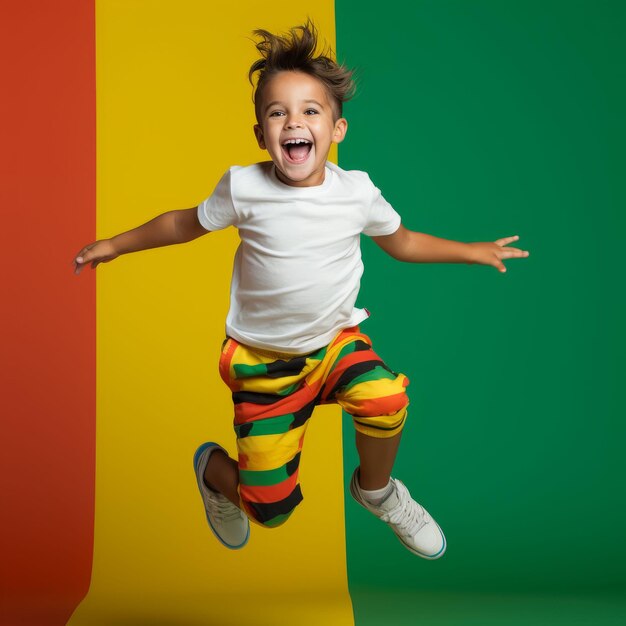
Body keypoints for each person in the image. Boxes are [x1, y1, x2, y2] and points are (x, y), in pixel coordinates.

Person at [74, 22, 529, 559]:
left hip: (334, 343)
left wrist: (471, 249)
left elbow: (401, 242)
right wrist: (117, 244)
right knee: (270, 510)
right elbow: (182, 224)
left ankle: (378, 492)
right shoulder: (244, 186)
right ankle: (213, 471)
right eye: (278, 112)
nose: (294, 122)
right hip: (263, 364)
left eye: (311, 111)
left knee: (387, 397)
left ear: (336, 130)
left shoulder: (356, 193)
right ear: (261, 134)